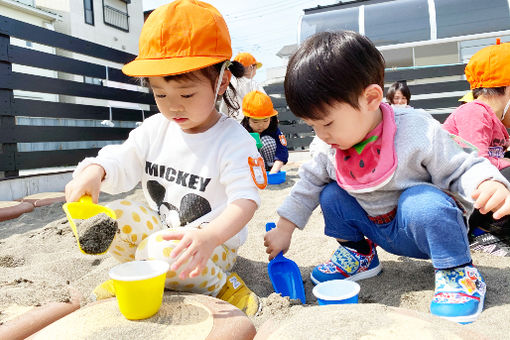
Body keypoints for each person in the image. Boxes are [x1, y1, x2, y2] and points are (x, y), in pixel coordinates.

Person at [264, 30, 510, 324]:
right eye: (312, 126)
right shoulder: (326, 146)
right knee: (330, 193)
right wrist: (284, 228)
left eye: (327, 123)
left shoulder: (416, 128)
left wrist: (488, 182)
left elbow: (462, 163)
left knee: (422, 201)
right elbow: (306, 186)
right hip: (377, 231)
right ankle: (358, 253)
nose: (322, 135)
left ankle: (458, 271)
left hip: (426, 232)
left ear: (370, 98)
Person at [64, 0, 266, 316]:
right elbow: (123, 159)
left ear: (221, 82)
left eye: (186, 94)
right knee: (114, 217)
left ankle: (224, 286)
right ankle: (141, 273)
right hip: (164, 232)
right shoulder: (156, 128)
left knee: (160, 249)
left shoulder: (233, 140)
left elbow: (246, 200)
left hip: (213, 246)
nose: (173, 107)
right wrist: (96, 170)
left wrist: (209, 236)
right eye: (160, 95)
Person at [443, 41, 510, 256]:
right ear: (507, 89)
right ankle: (481, 233)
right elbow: (473, 162)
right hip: (454, 201)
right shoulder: (474, 113)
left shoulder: (496, 121)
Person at [240, 91, 289, 174]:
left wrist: (274, 170)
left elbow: (282, 149)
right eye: (255, 122)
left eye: (265, 120)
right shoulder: (242, 130)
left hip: (271, 166)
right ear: (247, 119)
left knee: (266, 140)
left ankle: (270, 168)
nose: (261, 125)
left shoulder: (273, 128)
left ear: (271, 118)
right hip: (251, 166)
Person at [219, 52, 266, 121]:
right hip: (252, 123)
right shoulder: (254, 85)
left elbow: (223, 110)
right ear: (251, 67)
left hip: (234, 125)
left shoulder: (230, 85)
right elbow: (265, 103)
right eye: (255, 67)